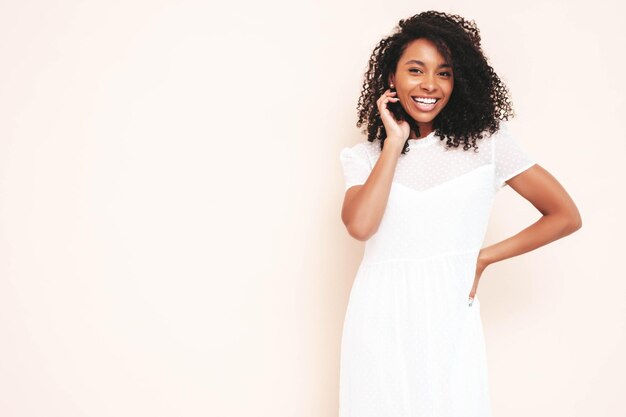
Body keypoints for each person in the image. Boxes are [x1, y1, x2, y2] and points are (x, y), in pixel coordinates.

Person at [338, 10, 582, 417]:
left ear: (458, 81)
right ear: (391, 79)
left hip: (449, 310)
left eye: (444, 73)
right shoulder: (364, 158)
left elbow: (565, 215)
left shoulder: (488, 145)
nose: (430, 85)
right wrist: (394, 144)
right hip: (378, 315)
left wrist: (483, 258)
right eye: (416, 70)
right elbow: (361, 226)